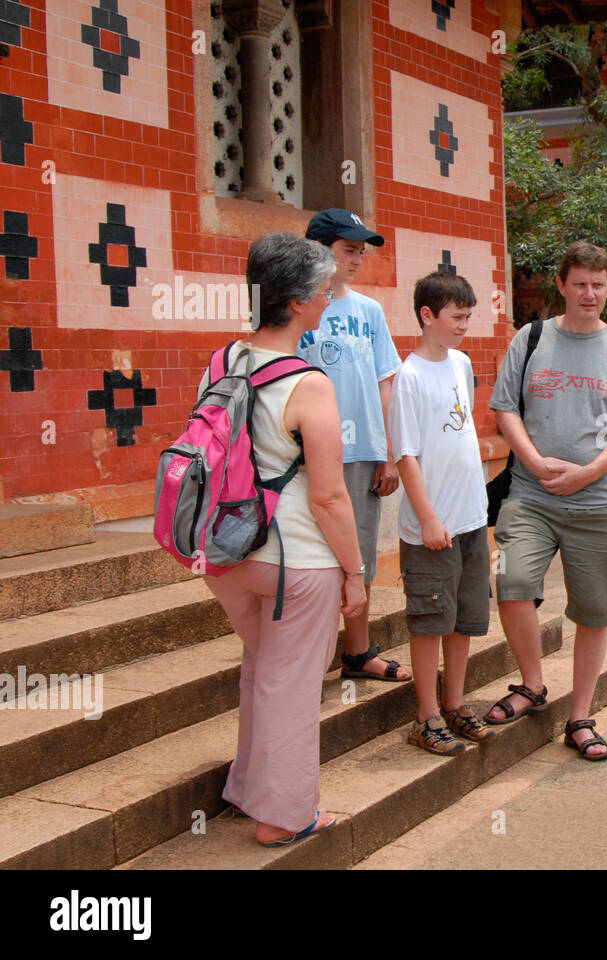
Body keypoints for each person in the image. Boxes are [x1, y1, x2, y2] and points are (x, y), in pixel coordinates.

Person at [201, 233, 366, 846]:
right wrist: (355, 571)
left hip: (226, 551)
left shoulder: (219, 363)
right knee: (292, 687)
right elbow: (328, 496)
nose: (329, 301)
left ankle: (251, 790)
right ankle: (284, 815)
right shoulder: (309, 384)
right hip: (295, 558)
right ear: (296, 303)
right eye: (324, 292)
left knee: (263, 672)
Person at [485, 241, 607, 759]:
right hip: (530, 495)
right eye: (579, 283)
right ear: (561, 285)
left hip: (600, 502)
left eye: (599, 284)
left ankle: (581, 716)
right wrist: (536, 462)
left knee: (594, 611)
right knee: (512, 582)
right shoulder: (531, 339)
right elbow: (505, 411)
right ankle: (533, 683)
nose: (589, 293)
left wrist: (588, 472)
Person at [388, 270, 496, 755]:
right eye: (456, 316)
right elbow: (407, 455)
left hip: (470, 518)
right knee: (431, 620)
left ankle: (455, 704)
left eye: (469, 316)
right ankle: (426, 716)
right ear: (427, 315)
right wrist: (429, 517)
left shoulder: (461, 363)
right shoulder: (407, 378)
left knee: (465, 618)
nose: (463, 325)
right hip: (432, 526)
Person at [300, 209, 408, 683]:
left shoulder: (368, 311)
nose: (358, 258)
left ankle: (358, 651)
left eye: (361, 251)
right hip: (305, 454)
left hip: (363, 451)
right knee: (309, 555)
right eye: (349, 249)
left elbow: (386, 381)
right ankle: (308, 653)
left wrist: (389, 451)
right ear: (319, 249)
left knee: (358, 552)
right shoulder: (298, 308)